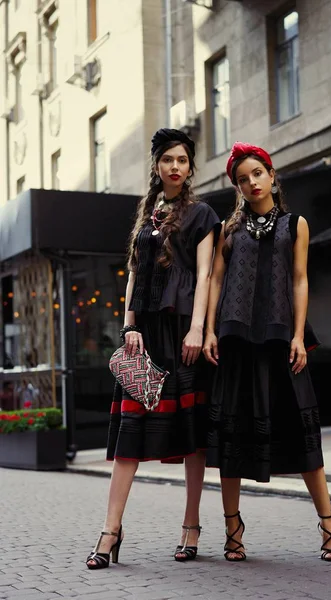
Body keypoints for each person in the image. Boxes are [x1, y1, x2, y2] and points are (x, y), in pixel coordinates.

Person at [86, 128, 221, 569]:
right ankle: (110, 531)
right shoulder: (147, 214)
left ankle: (191, 526)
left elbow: (204, 276)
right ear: (157, 165)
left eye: (182, 160)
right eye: (168, 160)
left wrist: (197, 329)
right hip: (143, 337)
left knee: (192, 437)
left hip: (182, 332)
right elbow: (133, 273)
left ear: (190, 166)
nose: (175, 167)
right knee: (130, 437)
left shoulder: (202, 214)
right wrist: (128, 326)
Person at [203, 142, 331, 563]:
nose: (251, 183)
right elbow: (214, 281)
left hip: (282, 339)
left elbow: (299, 280)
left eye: (256, 174)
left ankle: (329, 525)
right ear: (239, 187)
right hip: (235, 340)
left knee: (303, 434)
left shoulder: (295, 224)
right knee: (232, 435)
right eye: (242, 179)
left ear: (271, 174)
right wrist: (209, 330)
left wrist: (299, 335)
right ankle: (233, 530)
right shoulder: (229, 230)